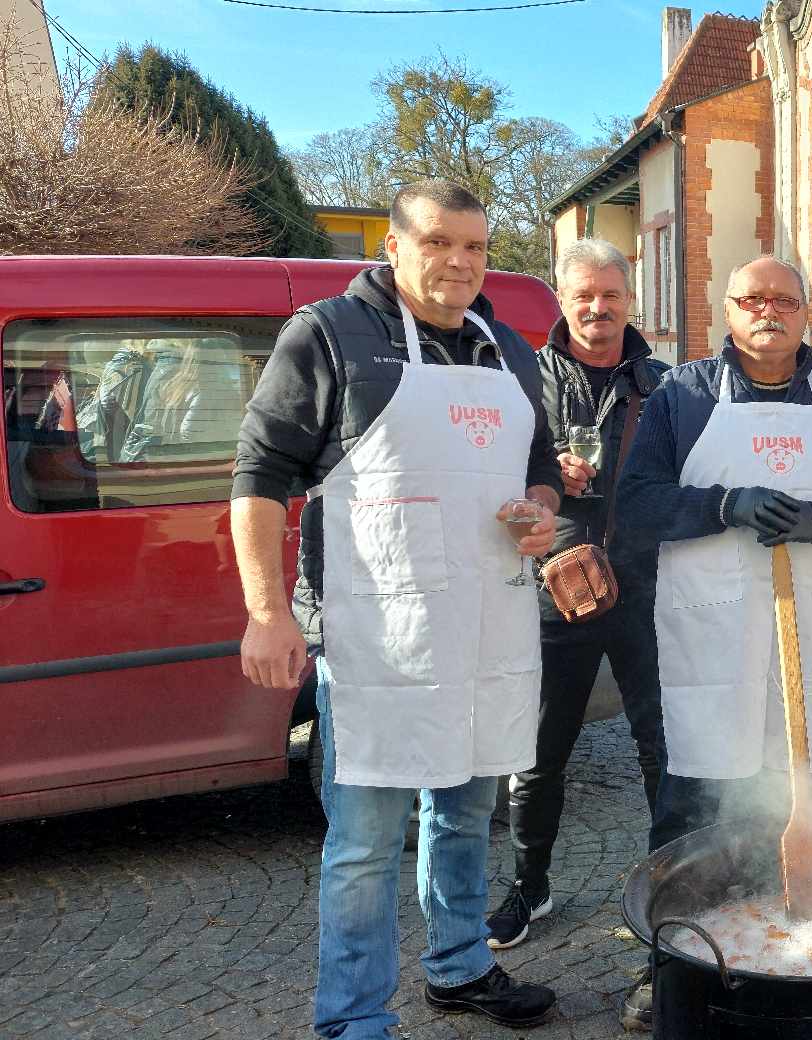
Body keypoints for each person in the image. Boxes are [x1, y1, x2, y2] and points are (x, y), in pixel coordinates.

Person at [231, 179, 563, 1039]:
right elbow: (260, 476)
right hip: (376, 633)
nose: (459, 262)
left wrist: (540, 512)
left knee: (462, 816)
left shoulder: (506, 347)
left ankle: (459, 967)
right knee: (364, 845)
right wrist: (267, 612)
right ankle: (352, 1019)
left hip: (486, 623)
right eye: (438, 242)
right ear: (392, 244)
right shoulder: (329, 335)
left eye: (476, 247)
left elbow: (538, 463)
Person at [617, 255, 812, 844]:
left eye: (784, 301)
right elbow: (637, 503)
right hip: (712, 638)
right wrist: (724, 506)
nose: (768, 311)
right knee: (698, 801)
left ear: (804, 315)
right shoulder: (684, 394)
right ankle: (682, 928)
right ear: (727, 311)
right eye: (753, 300)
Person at [487, 238, 670, 955]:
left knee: (662, 748)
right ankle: (530, 886)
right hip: (554, 588)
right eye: (584, 295)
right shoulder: (520, 379)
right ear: (562, 301)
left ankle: (671, 882)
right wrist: (535, 482)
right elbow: (486, 484)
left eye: (611, 295)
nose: (598, 308)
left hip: (647, 586)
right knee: (537, 751)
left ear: (630, 300)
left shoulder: (665, 384)